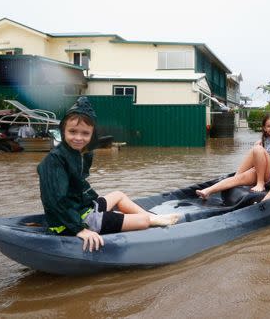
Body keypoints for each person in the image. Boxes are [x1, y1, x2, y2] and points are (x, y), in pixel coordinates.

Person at [38, 97, 179, 252]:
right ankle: (149, 219)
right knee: (143, 221)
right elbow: (55, 200)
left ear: (92, 135)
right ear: (63, 130)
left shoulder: (82, 154)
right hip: (72, 222)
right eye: (72, 132)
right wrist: (80, 229)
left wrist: (97, 205)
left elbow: (80, 187)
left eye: (85, 133)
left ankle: (154, 217)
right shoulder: (54, 160)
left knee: (118, 194)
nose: (78, 138)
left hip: (84, 208)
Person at [196, 114, 270, 199]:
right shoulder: (264, 139)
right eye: (269, 126)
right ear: (264, 128)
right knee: (238, 178)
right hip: (261, 170)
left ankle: (260, 183)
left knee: (257, 148)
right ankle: (207, 191)